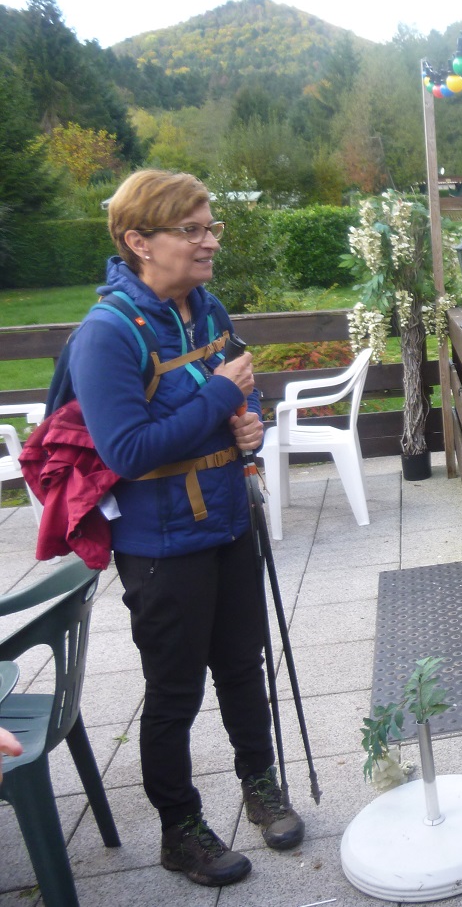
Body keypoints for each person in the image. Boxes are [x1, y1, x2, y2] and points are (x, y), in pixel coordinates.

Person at [67, 170, 301, 887]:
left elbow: (235, 401)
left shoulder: (206, 310)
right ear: (139, 240)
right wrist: (223, 394)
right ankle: (179, 828)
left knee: (242, 664)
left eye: (211, 228)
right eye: (191, 230)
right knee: (174, 689)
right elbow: (127, 451)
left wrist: (246, 423)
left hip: (229, 519)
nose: (208, 243)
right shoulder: (106, 335)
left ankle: (261, 788)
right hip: (161, 545)